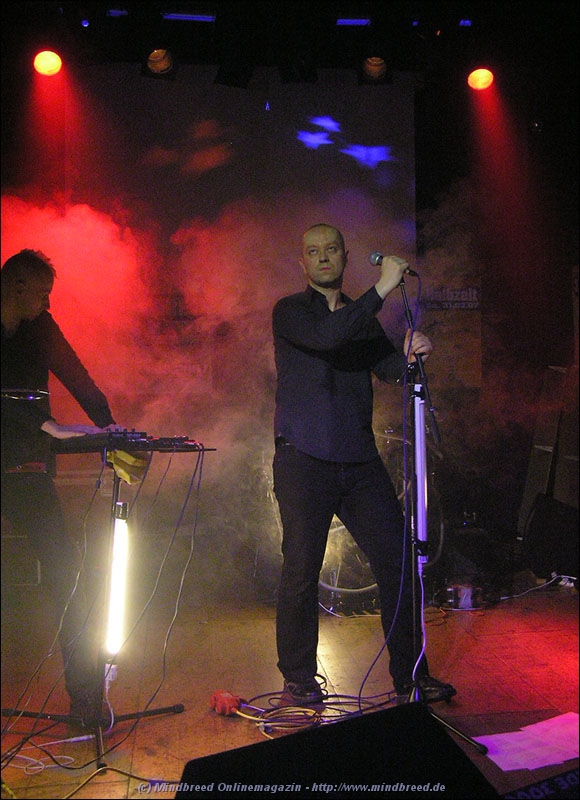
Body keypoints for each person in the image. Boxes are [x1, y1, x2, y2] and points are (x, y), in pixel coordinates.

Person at [272, 223, 456, 706]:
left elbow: (388, 367)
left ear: (344, 256)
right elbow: (328, 337)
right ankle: (298, 677)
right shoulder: (291, 312)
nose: (323, 257)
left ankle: (411, 675)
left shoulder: (359, 316)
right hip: (303, 459)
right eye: (313, 251)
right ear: (303, 262)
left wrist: (410, 357)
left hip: (358, 461)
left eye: (331, 249)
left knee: (399, 562)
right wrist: (381, 289)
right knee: (301, 569)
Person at [1, 248, 120, 726]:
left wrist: (111, 429)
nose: (47, 304)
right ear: (17, 287)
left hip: (25, 471)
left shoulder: (41, 329)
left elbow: (77, 376)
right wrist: (43, 422)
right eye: (42, 294)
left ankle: (86, 698)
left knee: (67, 575)